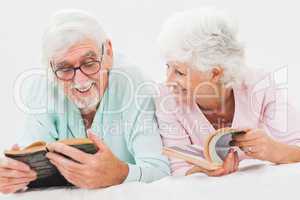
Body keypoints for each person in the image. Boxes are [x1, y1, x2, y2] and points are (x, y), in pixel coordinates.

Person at [0, 9, 170, 194]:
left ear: (109, 52)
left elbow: (160, 171)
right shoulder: (43, 87)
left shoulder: (134, 84)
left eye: (89, 63)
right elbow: (29, 154)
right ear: (50, 68)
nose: (80, 81)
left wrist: (121, 173)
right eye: (64, 69)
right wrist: (13, 175)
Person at [155, 7, 300, 177]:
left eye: (179, 72)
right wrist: (202, 170)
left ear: (215, 73)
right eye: (168, 67)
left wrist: (273, 150)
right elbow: (178, 168)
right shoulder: (167, 98)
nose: (168, 80)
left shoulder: (259, 85)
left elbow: (296, 148)